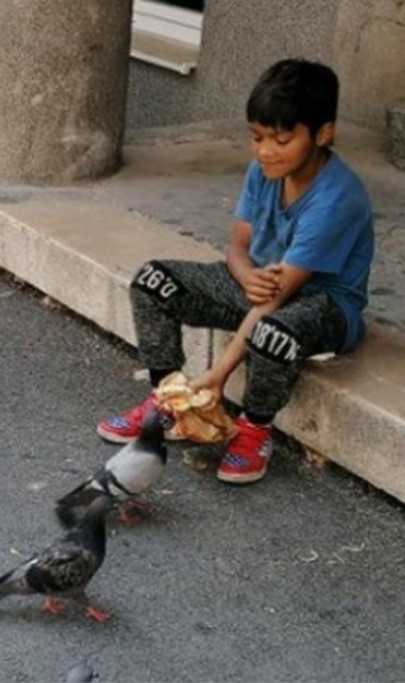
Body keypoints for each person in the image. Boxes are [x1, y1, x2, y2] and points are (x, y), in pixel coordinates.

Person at [96, 58, 375, 485]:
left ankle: (254, 430)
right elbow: (237, 249)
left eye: (282, 140)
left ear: (322, 134)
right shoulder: (264, 171)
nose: (265, 150)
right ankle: (170, 400)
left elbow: (276, 301)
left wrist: (218, 375)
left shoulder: (335, 199)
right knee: (154, 281)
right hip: (258, 286)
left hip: (322, 308)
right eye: (258, 137)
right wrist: (245, 276)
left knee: (273, 333)